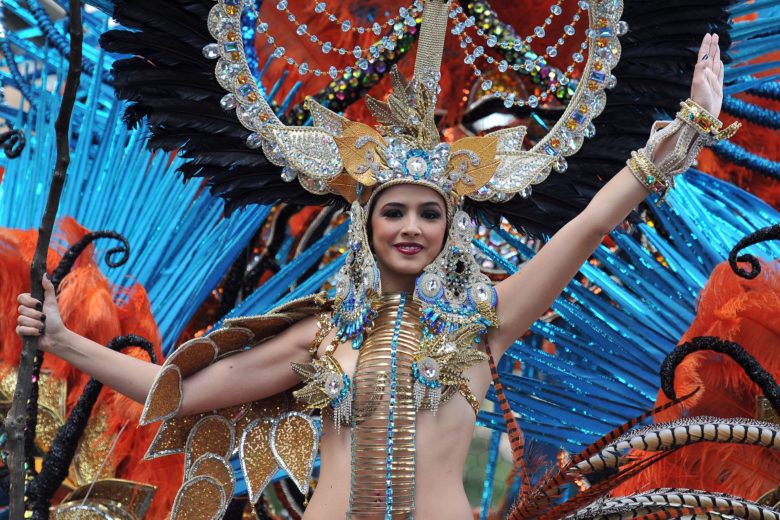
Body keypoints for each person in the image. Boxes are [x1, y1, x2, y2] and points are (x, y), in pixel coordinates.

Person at [16, 26, 736, 519]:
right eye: (395, 211)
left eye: (430, 213)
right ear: (368, 225)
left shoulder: (484, 321)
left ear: (450, 228)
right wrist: (65, 341)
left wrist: (681, 138)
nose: (412, 228)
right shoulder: (319, 340)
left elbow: (585, 229)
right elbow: (177, 392)